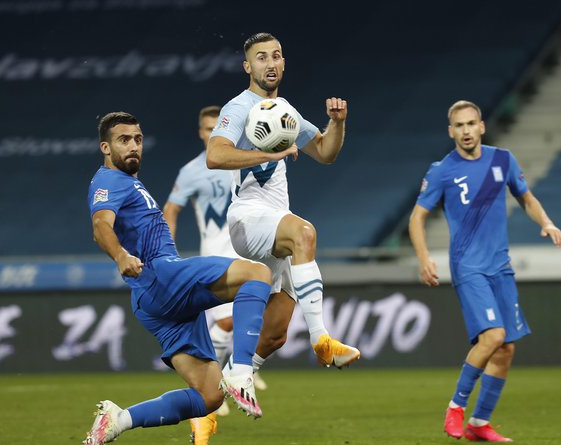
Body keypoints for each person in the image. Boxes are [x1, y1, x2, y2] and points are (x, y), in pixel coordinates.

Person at [84, 111, 272, 445]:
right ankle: (242, 370)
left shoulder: (128, 183)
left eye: (138, 139)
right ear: (105, 147)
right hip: (161, 274)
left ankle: (119, 419)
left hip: (151, 300)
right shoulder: (107, 182)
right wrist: (120, 255)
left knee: (210, 396)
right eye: (123, 140)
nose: (133, 146)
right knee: (256, 273)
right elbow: (101, 227)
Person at [408, 100, 561, 442]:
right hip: (468, 267)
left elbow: (526, 197)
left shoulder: (502, 159)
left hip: (501, 267)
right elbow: (417, 217)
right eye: (459, 126)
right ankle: (456, 406)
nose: (465, 131)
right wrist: (423, 258)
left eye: (471, 124)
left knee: (506, 348)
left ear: (482, 126)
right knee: (492, 337)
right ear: (450, 131)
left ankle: (479, 423)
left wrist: (546, 223)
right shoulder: (442, 170)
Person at [206, 32, 360, 376]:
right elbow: (214, 155)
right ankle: (322, 339)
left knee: (275, 335)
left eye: (276, 56)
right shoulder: (239, 107)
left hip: (275, 222)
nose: (270, 63)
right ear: (248, 66)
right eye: (261, 57)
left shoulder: (283, 111)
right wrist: (267, 153)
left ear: (284, 62)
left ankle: (229, 382)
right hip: (247, 218)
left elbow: (324, 152)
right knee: (304, 234)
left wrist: (337, 123)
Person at [163, 105, 267, 443]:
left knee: (246, 319)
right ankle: (224, 382)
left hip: (247, 249)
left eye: (216, 128)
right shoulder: (192, 170)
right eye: (206, 129)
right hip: (215, 255)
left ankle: (220, 384)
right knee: (226, 322)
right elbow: (171, 208)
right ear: (200, 132)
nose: (211, 134)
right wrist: (167, 251)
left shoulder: (240, 157)